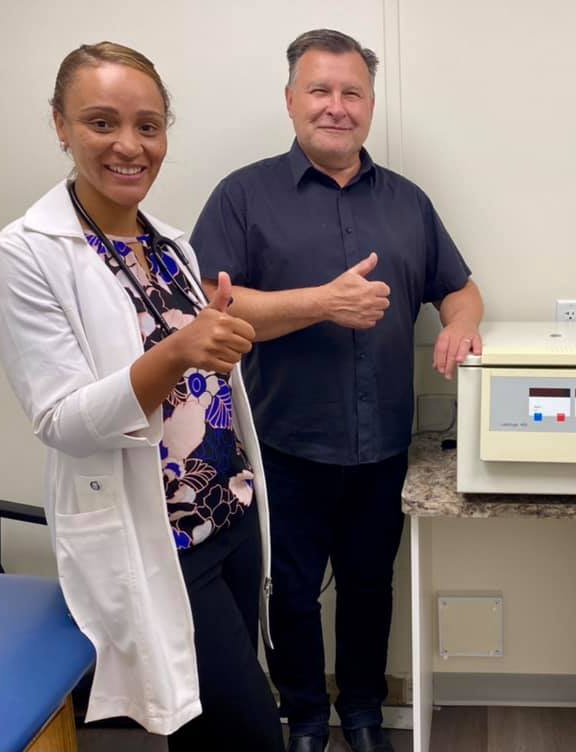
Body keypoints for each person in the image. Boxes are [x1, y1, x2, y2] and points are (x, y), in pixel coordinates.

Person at [0, 42, 284, 751]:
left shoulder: (171, 244)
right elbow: (62, 420)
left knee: (218, 726)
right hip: (160, 540)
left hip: (232, 518)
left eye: (148, 126)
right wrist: (177, 352)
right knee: (247, 736)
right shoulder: (27, 253)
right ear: (60, 124)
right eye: (101, 122)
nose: (129, 145)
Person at [190, 28, 483, 752]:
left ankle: (360, 712)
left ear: (370, 105)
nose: (336, 106)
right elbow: (207, 307)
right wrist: (321, 303)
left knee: (369, 590)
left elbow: (462, 287)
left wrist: (460, 326)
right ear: (292, 101)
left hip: (384, 446)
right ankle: (305, 718)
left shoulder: (409, 203)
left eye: (351, 93)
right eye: (320, 90)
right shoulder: (243, 195)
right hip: (283, 446)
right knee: (287, 595)